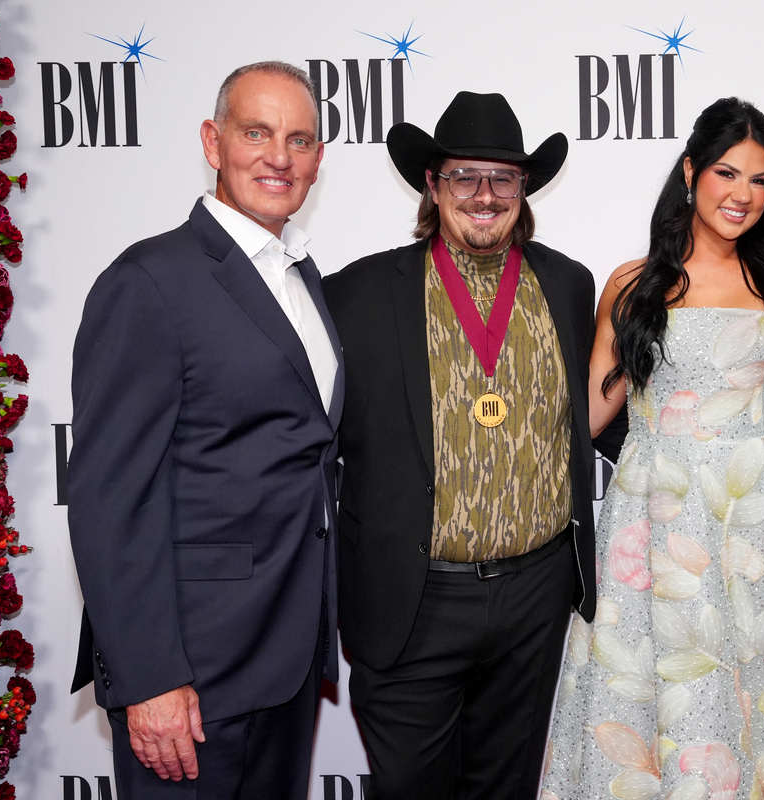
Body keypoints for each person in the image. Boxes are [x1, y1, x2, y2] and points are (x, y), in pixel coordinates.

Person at [543, 98, 764, 800]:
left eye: (760, 180)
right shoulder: (634, 284)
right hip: (659, 525)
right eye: (726, 172)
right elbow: (589, 415)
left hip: (761, 528)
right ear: (691, 173)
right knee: (663, 702)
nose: (742, 193)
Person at [67, 61, 342, 799]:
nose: (278, 156)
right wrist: (150, 678)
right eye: (256, 132)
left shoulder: (298, 277)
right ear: (212, 142)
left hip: (285, 655)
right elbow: (107, 498)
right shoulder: (150, 280)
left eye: (299, 139)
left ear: (319, 159)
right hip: (191, 670)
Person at [323, 91, 608, 800]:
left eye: (502, 178)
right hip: (412, 602)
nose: (484, 195)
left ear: (524, 188)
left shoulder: (570, 286)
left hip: (535, 599)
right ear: (432, 184)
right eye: (463, 176)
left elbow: (596, 413)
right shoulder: (355, 294)